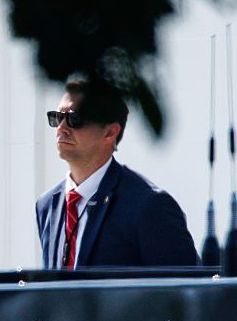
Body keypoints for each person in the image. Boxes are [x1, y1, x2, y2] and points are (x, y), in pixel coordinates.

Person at [36, 78, 198, 269]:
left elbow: (183, 292)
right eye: (57, 117)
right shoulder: (46, 205)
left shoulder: (149, 206)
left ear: (110, 132)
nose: (62, 128)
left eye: (74, 119)